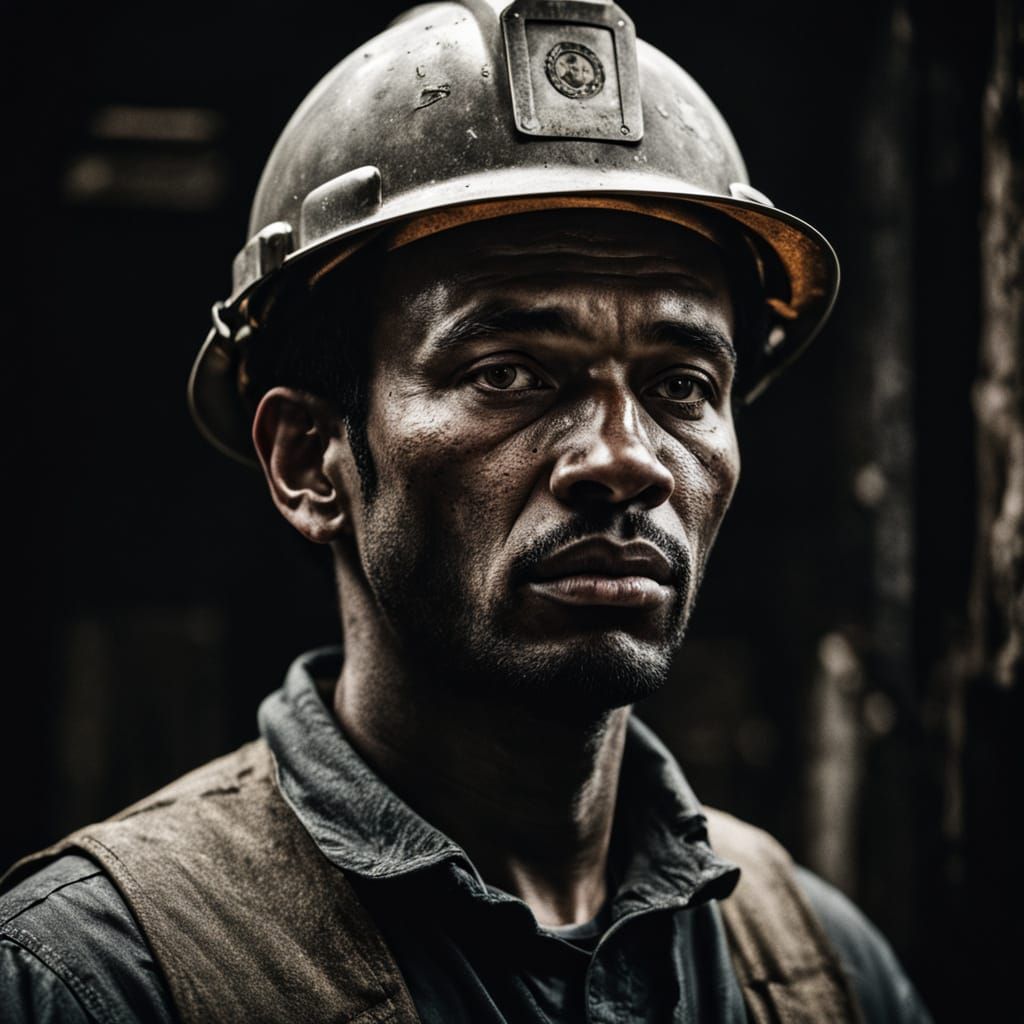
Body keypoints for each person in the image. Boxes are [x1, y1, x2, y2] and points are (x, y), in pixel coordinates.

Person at [1, 1, 933, 1021]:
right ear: (311, 459)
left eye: (680, 386)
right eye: (508, 372)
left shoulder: (819, 970)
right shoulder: (96, 979)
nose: (624, 459)